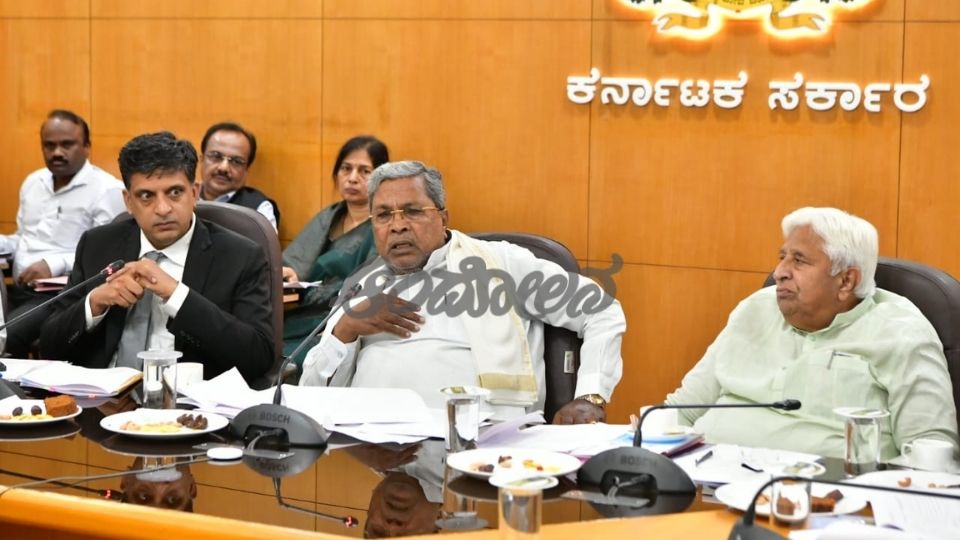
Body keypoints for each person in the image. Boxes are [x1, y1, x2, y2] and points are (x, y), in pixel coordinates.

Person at [299, 161, 626, 424]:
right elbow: (311, 394)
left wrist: (591, 396)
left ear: (443, 218)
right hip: (377, 450)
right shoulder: (363, 285)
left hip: (486, 449)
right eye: (384, 215)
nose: (397, 226)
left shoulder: (501, 263)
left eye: (412, 211)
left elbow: (601, 310)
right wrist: (345, 330)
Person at [666, 207, 960, 460]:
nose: (779, 272)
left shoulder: (900, 330)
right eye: (782, 257)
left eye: (799, 260)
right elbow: (682, 410)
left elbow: (930, 450)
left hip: (838, 497)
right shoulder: (755, 309)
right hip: (708, 484)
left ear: (846, 281)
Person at [39, 131, 274, 383]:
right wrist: (94, 302)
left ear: (194, 193)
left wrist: (177, 295)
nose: (162, 209)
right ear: (128, 201)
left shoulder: (240, 256)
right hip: (103, 397)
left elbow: (257, 359)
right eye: (146, 196)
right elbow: (50, 347)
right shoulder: (98, 245)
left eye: (175, 192)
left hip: (187, 400)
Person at [0, 110, 124, 356]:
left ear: (86, 147)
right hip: (16, 288)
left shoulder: (106, 190)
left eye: (67, 144)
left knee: (6, 336)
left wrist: (54, 263)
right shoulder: (33, 182)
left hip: (61, 295)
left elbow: (104, 253)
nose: (57, 152)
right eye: (49, 145)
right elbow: (23, 238)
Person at [280, 136, 388, 364]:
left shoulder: (384, 226)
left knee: (298, 360)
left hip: (342, 321)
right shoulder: (328, 216)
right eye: (346, 169)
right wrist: (288, 275)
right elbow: (292, 265)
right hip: (300, 314)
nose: (352, 178)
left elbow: (373, 286)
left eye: (364, 171)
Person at [199, 122, 280, 230]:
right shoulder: (182, 196)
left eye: (236, 161)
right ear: (202, 159)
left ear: (247, 169)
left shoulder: (259, 210)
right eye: (216, 156)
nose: (223, 168)